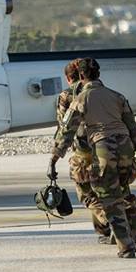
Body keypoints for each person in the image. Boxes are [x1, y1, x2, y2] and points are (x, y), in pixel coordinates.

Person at [51, 58, 136, 258]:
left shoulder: (80, 99)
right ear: (99, 74)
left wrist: (54, 157)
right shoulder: (117, 96)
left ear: (82, 76)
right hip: (126, 149)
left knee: (109, 200)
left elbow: (66, 131)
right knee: (121, 191)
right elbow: (133, 129)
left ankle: (127, 246)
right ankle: (135, 234)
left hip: (104, 149)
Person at [54, 59, 111, 242]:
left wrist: (56, 154)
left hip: (83, 150)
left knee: (87, 194)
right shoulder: (102, 92)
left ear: (69, 77)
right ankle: (110, 230)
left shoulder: (67, 96)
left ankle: (108, 225)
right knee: (109, 190)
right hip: (107, 147)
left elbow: (64, 126)